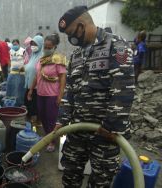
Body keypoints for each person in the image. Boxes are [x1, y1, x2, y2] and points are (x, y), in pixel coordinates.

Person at [57, 6, 135, 187]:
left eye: (71, 33)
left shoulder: (116, 45)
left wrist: (110, 125)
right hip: (77, 131)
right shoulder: (76, 55)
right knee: (70, 175)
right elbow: (70, 91)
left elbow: (124, 88)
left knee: (100, 181)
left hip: (105, 134)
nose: (71, 39)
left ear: (82, 25)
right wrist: (61, 120)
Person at [27, 34, 66, 152]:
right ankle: (47, 136)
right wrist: (30, 90)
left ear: (55, 47)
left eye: (49, 47)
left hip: (52, 95)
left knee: (51, 119)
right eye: (45, 46)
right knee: (42, 117)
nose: (47, 49)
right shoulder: (41, 59)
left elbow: (63, 77)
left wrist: (60, 95)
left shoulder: (58, 59)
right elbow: (36, 76)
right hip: (40, 94)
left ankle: (52, 141)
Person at [24, 35, 44, 122]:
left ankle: (35, 129)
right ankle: (31, 126)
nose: (33, 46)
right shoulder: (33, 55)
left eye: (35, 44)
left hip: (36, 88)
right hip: (29, 86)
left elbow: (38, 73)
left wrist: (31, 89)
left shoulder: (42, 57)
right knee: (28, 107)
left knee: (34, 109)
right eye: (32, 44)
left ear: (40, 44)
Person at [6, 39, 25, 106]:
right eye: (13, 44)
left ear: (19, 44)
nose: (15, 46)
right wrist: (9, 67)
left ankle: (20, 102)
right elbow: (9, 60)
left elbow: (25, 60)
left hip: (21, 72)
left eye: (16, 44)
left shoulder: (23, 50)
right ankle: (11, 101)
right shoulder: (10, 51)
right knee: (11, 85)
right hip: (13, 71)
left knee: (20, 87)